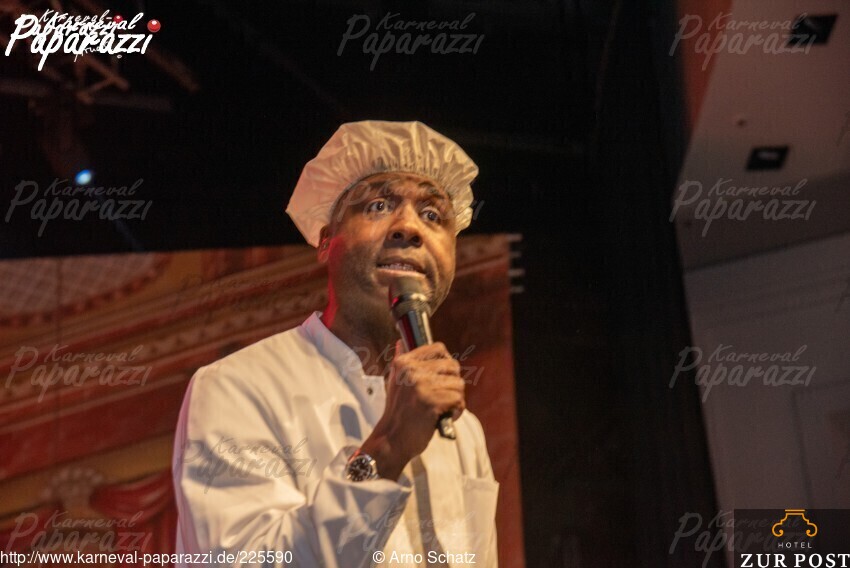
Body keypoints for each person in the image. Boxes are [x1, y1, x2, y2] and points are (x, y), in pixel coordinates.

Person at [172, 120, 499, 567]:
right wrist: (386, 449)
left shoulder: (462, 429)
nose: (409, 227)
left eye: (432, 215)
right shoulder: (237, 387)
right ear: (327, 241)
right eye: (379, 205)